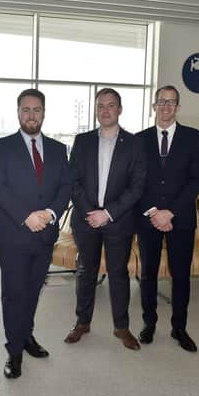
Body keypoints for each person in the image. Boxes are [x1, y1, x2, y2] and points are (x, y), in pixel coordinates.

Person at [0, 88, 71, 379]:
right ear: (18, 112)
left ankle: (26, 336)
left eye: (36, 110)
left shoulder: (59, 150)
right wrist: (26, 216)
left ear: (44, 113)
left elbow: (65, 188)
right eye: (26, 109)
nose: (31, 115)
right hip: (12, 234)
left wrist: (49, 214)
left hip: (45, 233)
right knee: (14, 293)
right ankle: (14, 351)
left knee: (33, 290)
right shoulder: (1, 146)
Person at [64, 88, 146, 350]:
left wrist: (108, 213)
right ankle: (82, 323)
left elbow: (137, 186)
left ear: (119, 109)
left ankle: (121, 328)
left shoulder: (134, 144)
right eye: (101, 106)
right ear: (96, 110)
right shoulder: (82, 141)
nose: (106, 110)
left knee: (119, 274)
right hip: (86, 219)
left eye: (111, 105)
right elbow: (73, 181)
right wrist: (92, 212)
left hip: (118, 220)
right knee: (85, 272)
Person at [135, 85, 199, 352]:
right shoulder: (138, 140)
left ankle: (179, 328)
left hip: (181, 219)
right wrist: (154, 212)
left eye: (171, 102)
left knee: (181, 276)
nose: (166, 106)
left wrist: (170, 211)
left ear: (178, 107)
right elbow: (135, 181)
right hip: (148, 219)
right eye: (161, 101)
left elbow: (196, 180)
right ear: (154, 106)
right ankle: (149, 323)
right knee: (148, 274)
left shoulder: (193, 137)